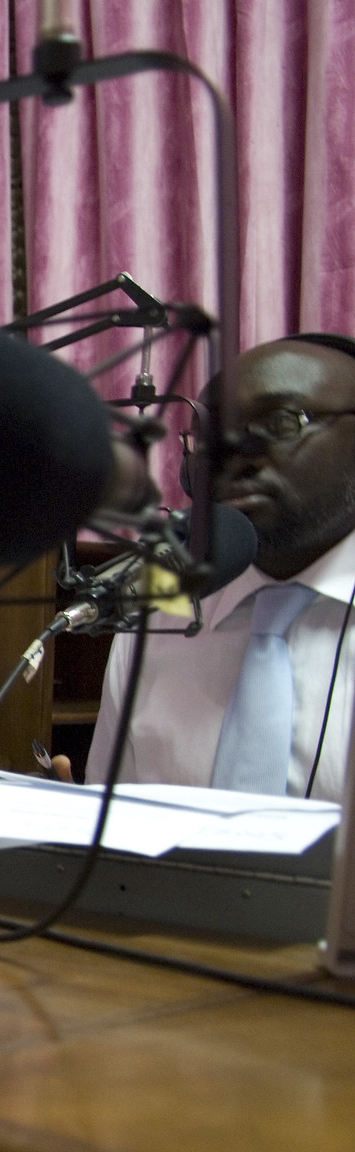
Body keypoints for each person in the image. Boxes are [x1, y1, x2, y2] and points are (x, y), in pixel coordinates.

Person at [82, 333, 355, 802]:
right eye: (210, 440)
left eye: (282, 422)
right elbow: (114, 833)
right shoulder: (158, 605)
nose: (233, 459)